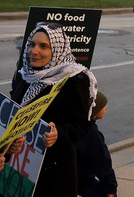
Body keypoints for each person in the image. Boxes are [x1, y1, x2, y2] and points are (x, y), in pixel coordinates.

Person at [11, 22, 98, 197]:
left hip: (54, 171)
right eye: (31, 44)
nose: (34, 51)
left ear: (57, 50)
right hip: (20, 166)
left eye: (43, 46)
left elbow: (82, 124)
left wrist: (59, 133)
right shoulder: (24, 74)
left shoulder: (74, 79)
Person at [75, 91, 118, 197]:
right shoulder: (91, 133)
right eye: (103, 106)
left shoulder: (74, 125)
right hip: (82, 182)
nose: (106, 108)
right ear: (93, 113)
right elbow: (102, 162)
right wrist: (111, 188)